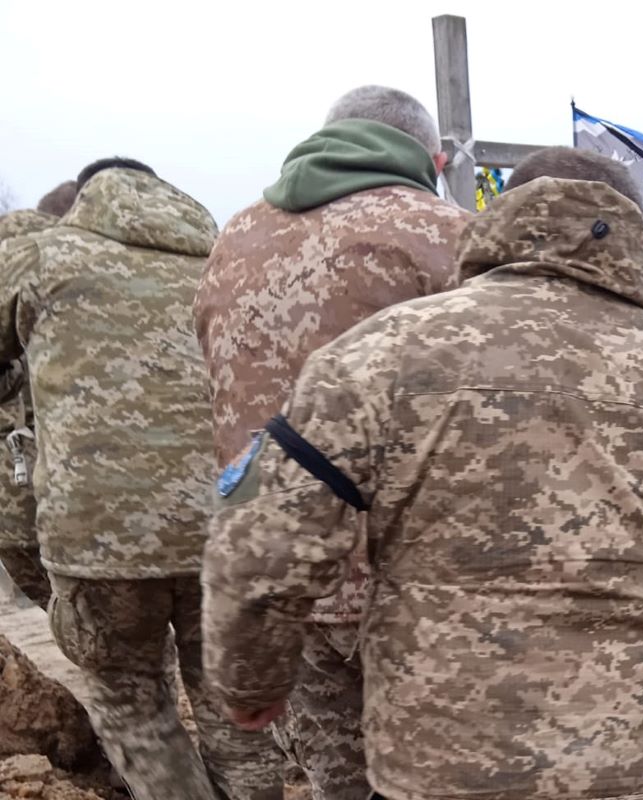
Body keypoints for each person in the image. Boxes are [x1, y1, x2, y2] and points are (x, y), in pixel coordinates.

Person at [202, 147, 643, 800]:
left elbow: (265, 544)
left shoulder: (374, 358)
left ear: (503, 216)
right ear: (632, 229)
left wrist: (249, 681)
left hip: (445, 762)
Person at [194, 84, 468, 800]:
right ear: (434, 159)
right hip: (417, 584)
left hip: (280, 570)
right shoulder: (449, 234)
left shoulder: (235, 238)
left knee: (338, 781)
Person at [0, 158, 284, 800]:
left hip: (102, 536)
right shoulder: (226, 259)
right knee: (232, 704)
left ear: (89, 198)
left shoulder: (46, 256)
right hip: (228, 519)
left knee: (130, 699)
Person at [0, 180, 76, 608]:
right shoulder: (60, 266)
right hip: (49, 470)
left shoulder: (17, 259)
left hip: (18, 481)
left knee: (60, 604)